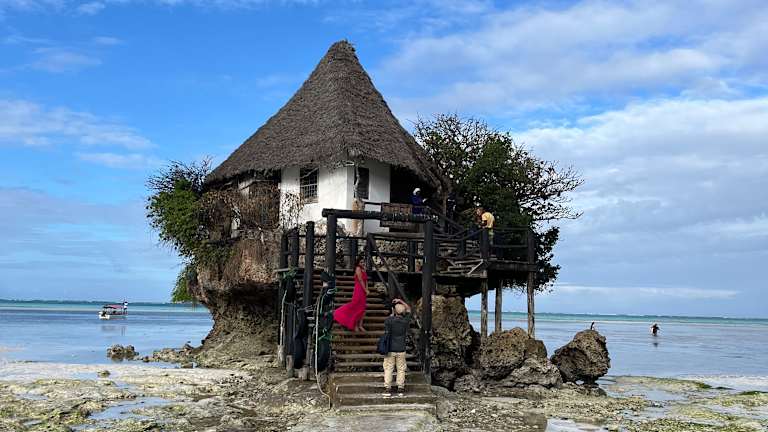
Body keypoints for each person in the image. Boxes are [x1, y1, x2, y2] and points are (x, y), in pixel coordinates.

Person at [383, 298, 411, 397]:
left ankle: (387, 388)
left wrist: (392, 312)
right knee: (401, 368)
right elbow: (409, 309)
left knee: (388, 368)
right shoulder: (405, 321)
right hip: (401, 348)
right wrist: (401, 301)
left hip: (390, 349)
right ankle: (400, 388)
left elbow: (388, 322)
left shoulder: (389, 321)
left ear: (394, 311)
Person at [333, 256, 368, 332]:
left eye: (363, 262)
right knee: (355, 305)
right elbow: (360, 280)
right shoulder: (358, 268)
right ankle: (340, 314)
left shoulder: (363, 269)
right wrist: (365, 290)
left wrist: (367, 289)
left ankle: (360, 325)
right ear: (358, 263)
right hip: (359, 289)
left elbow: (366, 281)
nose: (363, 263)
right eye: (361, 262)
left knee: (362, 308)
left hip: (363, 290)